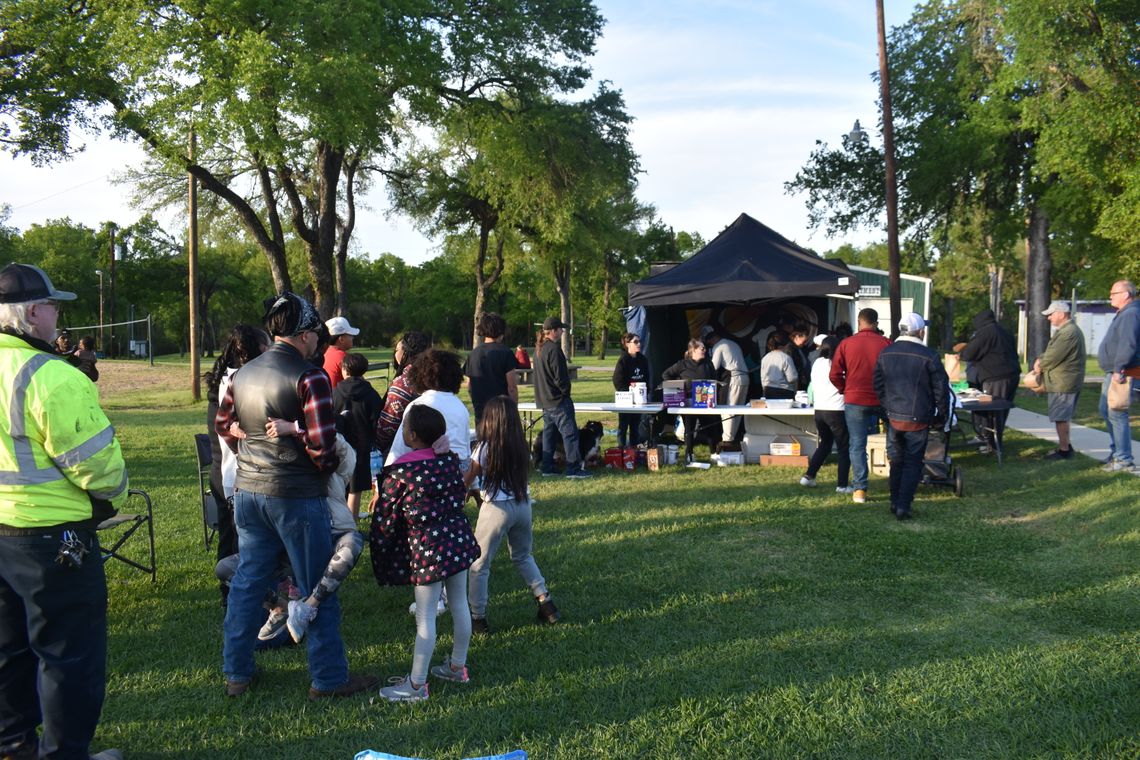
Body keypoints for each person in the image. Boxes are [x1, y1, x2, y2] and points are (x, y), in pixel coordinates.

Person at [216, 291, 376, 699]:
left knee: (248, 582)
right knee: (314, 585)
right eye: (315, 334)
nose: (317, 341)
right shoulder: (311, 376)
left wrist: (250, 452)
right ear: (304, 334)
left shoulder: (240, 374)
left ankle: (237, 673)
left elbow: (223, 424)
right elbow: (323, 450)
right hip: (296, 495)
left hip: (248, 492)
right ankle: (328, 678)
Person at [0, 263, 128, 760]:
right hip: (52, 541)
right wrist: (111, 492)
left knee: (8, 650)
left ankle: (13, 745)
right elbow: (102, 471)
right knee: (68, 656)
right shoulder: (53, 376)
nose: (58, 316)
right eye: (54, 306)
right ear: (34, 312)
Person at [371, 405, 480, 702]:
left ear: (413, 435)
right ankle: (458, 667)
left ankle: (417, 685)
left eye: (404, 427)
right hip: (457, 542)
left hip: (426, 549)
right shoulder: (449, 462)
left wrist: (382, 550)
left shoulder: (401, 473)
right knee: (459, 603)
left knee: (426, 615)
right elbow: (460, 491)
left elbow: (386, 519)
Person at [464, 396, 561, 634]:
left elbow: (467, 479)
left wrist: (462, 492)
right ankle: (546, 604)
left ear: (490, 420)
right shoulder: (520, 446)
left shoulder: (484, 448)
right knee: (523, 556)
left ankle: (478, 618)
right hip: (523, 505)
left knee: (479, 564)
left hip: (496, 508)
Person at [205, 324, 271, 604]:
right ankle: (237, 595)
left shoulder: (227, 378)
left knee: (230, 537)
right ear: (256, 350)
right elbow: (230, 429)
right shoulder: (240, 382)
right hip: (234, 473)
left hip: (224, 473)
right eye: (267, 345)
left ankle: (230, 594)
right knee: (239, 540)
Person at [872, 313, 949, 521]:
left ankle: (894, 501)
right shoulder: (929, 355)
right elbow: (941, 389)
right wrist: (942, 415)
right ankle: (903, 505)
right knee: (913, 462)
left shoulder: (886, 353)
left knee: (896, 460)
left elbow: (878, 384)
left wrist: (886, 407)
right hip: (918, 416)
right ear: (920, 331)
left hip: (893, 416)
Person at [830, 308, 891, 505]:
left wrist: (844, 389)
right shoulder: (886, 344)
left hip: (855, 399)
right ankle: (896, 480)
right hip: (883, 399)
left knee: (857, 444)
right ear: (876, 322)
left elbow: (834, 374)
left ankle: (860, 490)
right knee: (894, 439)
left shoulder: (846, 344)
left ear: (859, 322)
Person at [384, 349, 471, 469]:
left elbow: (399, 449)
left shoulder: (418, 405)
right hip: (457, 472)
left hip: (427, 472)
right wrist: (473, 484)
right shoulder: (461, 407)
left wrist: (387, 473)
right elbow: (466, 448)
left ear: (419, 376)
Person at [958, 309, 1020, 454]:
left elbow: (968, 354)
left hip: (995, 377)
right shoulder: (1004, 332)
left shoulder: (985, 333)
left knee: (989, 410)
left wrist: (961, 353)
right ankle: (994, 440)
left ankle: (988, 443)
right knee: (1001, 412)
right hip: (1012, 375)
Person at [534, 317, 590, 478]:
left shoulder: (539, 348)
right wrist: (566, 392)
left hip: (545, 401)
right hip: (558, 400)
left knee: (549, 435)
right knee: (570, 434)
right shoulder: (553, 349)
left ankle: (547, 466)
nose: (563, 331)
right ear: (553, 331)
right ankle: (573, 468)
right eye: (560, 329)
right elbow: (560, 377)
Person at [1033, 301, 1086, 460]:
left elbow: (1054, 356)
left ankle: (1064, 451)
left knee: (1060, 417)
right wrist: (1040, 359)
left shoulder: (1068, 332)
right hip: (1062, 381)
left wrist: (1040, 364)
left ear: (1061, 314)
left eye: (1051, 314)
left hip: (1063, 383)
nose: (1049, 318)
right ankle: (1066, 446)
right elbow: (1053, 352)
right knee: (1061, 417)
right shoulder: (1066, 330)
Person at [1097, 280, 1139, 473]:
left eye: (1114, 293)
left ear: (1126, 294)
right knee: (1106, 410)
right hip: (1115, 370)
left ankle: (1123, 459)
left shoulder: (1130, 313)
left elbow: (1128, 344)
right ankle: (1117, 453)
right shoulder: (1125, 313)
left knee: (1117, 412)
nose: (1110, 296)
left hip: (1122, 371)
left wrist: (1119, 368)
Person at [333, 352, 382, 518]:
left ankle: (337, 523)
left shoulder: (335, 393)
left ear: (344, 370)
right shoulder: (371, 394)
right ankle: (350, 528)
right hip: (361, 447)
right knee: (355, 490)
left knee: (338, 488)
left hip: (338, 446)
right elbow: (376, 421)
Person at [799, 336, 851, 492]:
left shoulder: (817, 363)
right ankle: (842, 485)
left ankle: (808, 476)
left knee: (825, 444)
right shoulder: (838, 364)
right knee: (843, 447)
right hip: (837, 410)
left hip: (819, 410)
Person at [375, 331, 431, 458]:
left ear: (406, 352)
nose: (395, 353)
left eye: (397, 350)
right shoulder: (433, 377)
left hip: (403, 451)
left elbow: (388, 424)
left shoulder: (403, 383)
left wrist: (377, 443)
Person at [662, 338, 717, 463]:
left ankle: (714, 453)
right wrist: (677, 388)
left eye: (704, 348)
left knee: (710, 427)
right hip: (687, 402)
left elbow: (714, 379)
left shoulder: (708, 363)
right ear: (693, 350)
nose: (704, 350)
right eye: (701, 348)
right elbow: (666, 374)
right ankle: (689, 454)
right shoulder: (683, 364)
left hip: (704, 400)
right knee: (689, 428)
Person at [463, 312, 519, 425]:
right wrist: (514, 408)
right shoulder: (506, 352)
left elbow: (469, 386)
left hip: (481, 410)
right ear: (500, 332)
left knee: (483, 441)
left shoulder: (473, 354)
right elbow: (511, 387)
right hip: (501, 409)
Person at [703, 327, 749, 442]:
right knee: (738, 410)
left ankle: (727, 440)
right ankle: (733, 436)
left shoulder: (719, 346)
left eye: (709, 343)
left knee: (728, 409)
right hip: (745, 377)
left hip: (735, 378)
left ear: (712, 340)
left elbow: (714, 367)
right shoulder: (733, 343)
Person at [612, 332, 650, 447]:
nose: (639, 344)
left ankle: (634, 449)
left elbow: (647, 378)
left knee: (635, 425)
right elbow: (617, 380)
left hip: (639, 400)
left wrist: (644, 392)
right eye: (636, 342)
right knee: (623, 426)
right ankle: (621, 449)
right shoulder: (623, 360)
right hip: (626, 400)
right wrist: (628, 391)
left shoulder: (643, 359)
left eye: (639, 342)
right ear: (627, 344)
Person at [322, 316, 360, 388]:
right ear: (341, 339)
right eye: (350, 335)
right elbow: (358, 385)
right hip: (339, 398)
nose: (353, 337)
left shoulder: (324, 353)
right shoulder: (343, 357)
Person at [760, 330, 798, 399]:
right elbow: (792, 378)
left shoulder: (765, 358)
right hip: (784, 391)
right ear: (783, 346)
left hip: (768, 390)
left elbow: (763, 377)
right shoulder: (786, 357)